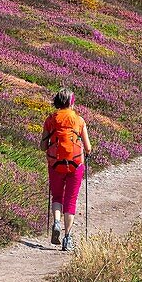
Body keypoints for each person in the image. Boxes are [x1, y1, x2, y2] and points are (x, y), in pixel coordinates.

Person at [40, 88, 92, 252]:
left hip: (55, 164)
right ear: (71, 102)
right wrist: (86, 153)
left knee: (57, 195)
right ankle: (67, 238)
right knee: (70, 200)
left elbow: (42, 146)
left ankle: (56, 222)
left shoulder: (50, 120)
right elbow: (88, 147)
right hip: (76, 165)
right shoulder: (79, 120)